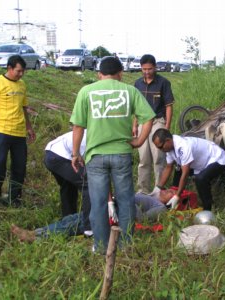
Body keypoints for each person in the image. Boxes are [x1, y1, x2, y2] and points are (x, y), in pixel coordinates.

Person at [70, 56, 155, 254]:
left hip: (96, 156)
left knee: (98, 203)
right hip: (121, 154)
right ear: (120, 74)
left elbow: (78, 126)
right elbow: (149, 118)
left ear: (99, 74)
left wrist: (75, 153)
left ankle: (101, 247)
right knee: (126, 201)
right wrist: (140, 141)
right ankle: (126, 245)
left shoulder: (86, 92)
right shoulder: (129, 90)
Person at [10, 189, 176, 243]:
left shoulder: (160, 207)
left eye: (171, 193)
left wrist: (124, 201)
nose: (167, 191)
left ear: (171, 201)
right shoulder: (150, 194)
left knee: (78, 224)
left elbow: (140, 218)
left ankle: (34, 236)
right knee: (74, 218)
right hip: (113, 204)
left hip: (117, 211)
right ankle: (39, 232)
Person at [0, 55, 36, 206]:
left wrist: (29, 127)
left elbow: (24, 107)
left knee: (19, 166)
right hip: (2, 130)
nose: (21, 74)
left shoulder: (22, 85)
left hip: (19, 132)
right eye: (18, 71)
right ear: (9, 68)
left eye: (23, 71)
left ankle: (14, 198)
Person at [152, 128, 225, 211]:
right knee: (178, 170)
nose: (160, 150)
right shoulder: (169, 148)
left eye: (160, 147)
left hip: (217, 158)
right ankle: (177, 204)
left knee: (200, 179)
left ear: (168, 140)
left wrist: (177, 195)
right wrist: (158, 188)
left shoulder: (183, 146)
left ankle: (208, 209)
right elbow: (168, 167)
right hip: (201, 162)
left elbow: (185, 173)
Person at [133, 54, 175, 194]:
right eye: (144, 69)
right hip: (142, 122)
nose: (146, 72)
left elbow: (169, 106)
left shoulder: (163, 83)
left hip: (158, 122)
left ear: (155, 67)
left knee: (158, 158)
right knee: (143, 159)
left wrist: (166, 128)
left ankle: (159, 189)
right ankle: (142, 190)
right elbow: (136, 107)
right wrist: (134, 125)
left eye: (149, 69)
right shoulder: (137, 84)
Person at [44, 130, 91, 234]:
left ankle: (68, 218)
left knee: (68, 185)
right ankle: (89, 227)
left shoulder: (96, 130)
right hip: (58, 156)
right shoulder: (98, 137)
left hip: (52, 153)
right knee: (88, 184)